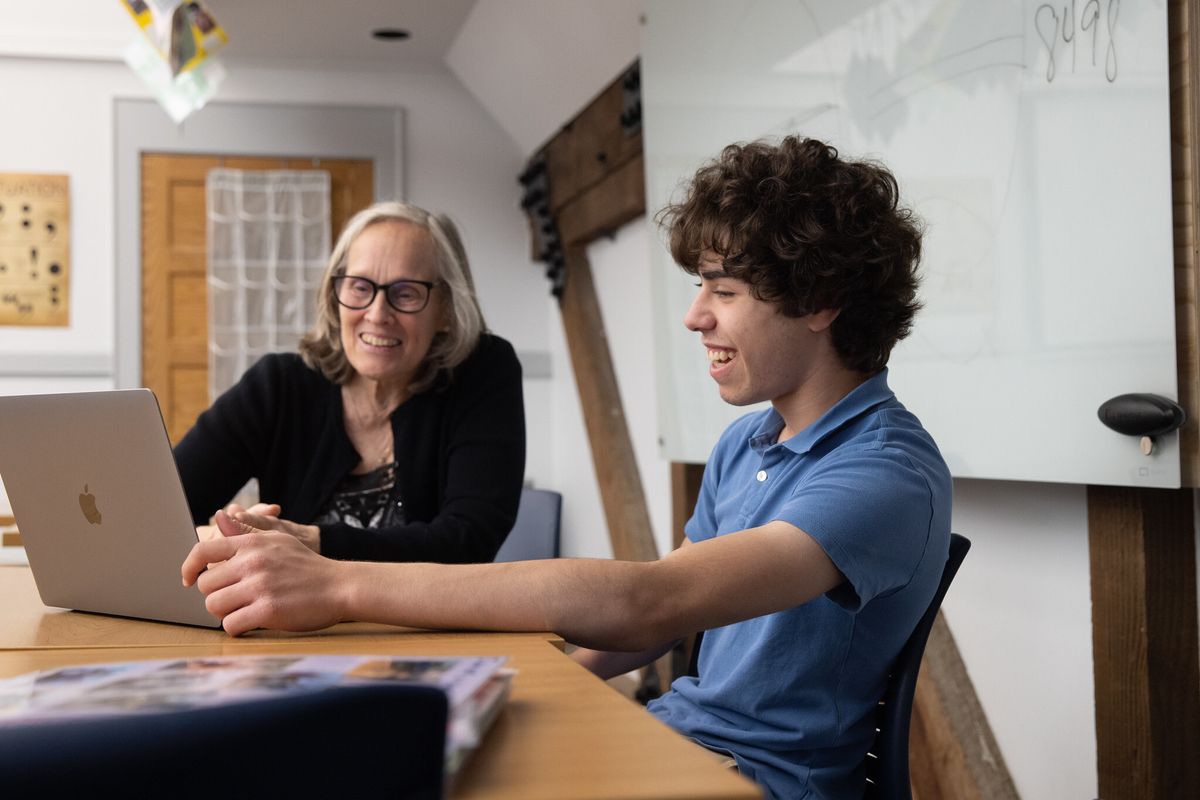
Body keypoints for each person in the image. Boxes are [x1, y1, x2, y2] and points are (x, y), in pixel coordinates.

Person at [182, 137, 951, 800]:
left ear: (820, 302)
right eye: (700, 288)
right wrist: (543, 684)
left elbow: (652, 600)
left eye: (723, 290)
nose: (696, 315)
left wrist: (336, 583)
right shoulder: (749, 443)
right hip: (675, 736)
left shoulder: (885, 475)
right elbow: (669, 614)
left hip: (750, 778)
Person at [174, 201, 525, 564]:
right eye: (359, 287)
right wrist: (226, 535)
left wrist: (309, 540)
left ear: (446, 309)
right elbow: (161, 508)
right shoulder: (278, 386)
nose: (377, 314)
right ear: (335, 295)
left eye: (406, 293)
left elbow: (469, 541)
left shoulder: (483, 371)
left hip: (429, 606)